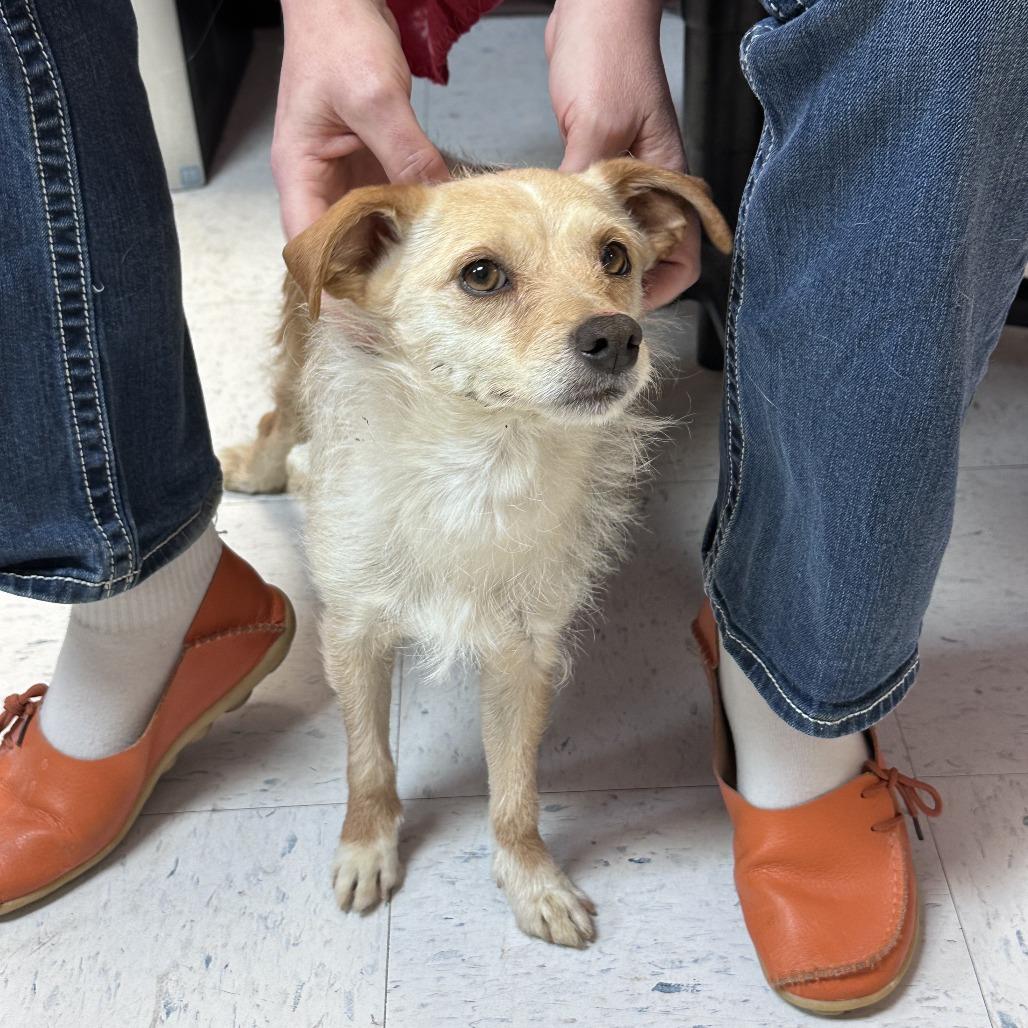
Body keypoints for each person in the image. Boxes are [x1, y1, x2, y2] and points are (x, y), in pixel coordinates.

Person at [0, 0, 1024, 1012]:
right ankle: (178, 590)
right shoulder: (357, 289)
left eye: (609, 259)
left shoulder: (604, 334)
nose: (600, 322)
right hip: (370, 404)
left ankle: (780, 695)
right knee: (347, 566)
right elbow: (355, 636)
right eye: (487, 276)